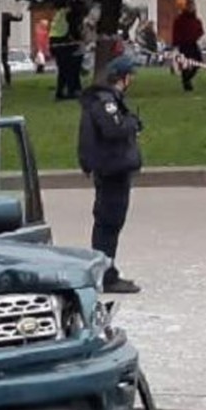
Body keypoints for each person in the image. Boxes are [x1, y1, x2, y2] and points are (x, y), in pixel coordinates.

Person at [78, 55, 143, 295]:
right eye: (131, 75)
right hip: (111, 169)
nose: (133, 79)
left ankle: (106, 270)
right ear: (123, 78)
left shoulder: (107, 99)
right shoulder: (105, 101)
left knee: (111, 222)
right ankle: (105, 274)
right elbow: (113, 128)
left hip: (113, 168)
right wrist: (132, 123)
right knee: (108, 223)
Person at [172, 0, 204, 91]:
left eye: (193, 6)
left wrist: (197, 35)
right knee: (185, 63)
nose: (192, 8)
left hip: (192, 43)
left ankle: (187, 78)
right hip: (183, 44)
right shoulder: (180, 19)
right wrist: (176, 44)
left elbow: (199, 30)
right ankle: (186, 82)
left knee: (198, 61)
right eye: (190, 6)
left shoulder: (195, 19)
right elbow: (176, 32)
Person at [1, 11, 24, 87]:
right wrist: (20, 15)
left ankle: (2, 80)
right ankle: (7, 80)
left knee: (1, 61)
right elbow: (18, 19)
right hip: (3, 41)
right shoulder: (6, 16)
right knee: (4, 61)